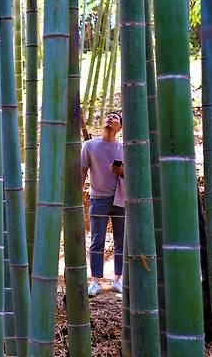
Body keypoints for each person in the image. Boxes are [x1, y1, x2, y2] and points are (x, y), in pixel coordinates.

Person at [81, 111, 125, 296]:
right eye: (107, 116)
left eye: (115, 117)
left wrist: (121, 171)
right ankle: (95, 281)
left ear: (120, 127)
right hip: (98, 199)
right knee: (96, 241)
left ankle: (118, 279)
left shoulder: (124, 148)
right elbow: (82, 171)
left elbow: (134, 176)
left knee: (121, 240)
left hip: (120, 198)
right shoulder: (89, 146)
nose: (109, 118)